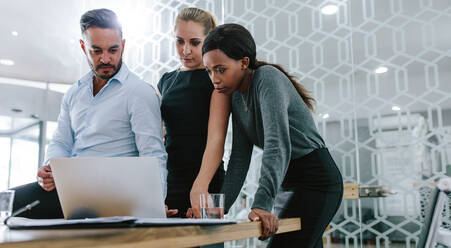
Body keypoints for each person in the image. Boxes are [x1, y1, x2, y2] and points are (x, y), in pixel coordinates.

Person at [189, 23, 343, 247]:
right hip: (288, 183)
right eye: (209, 71)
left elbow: (277, 144)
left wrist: (261, 204)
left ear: (244, 62)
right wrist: (219, 210)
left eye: (221, 69)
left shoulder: (267, 78)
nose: (214, 79)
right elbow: (240, 159)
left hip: (317, 181)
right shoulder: (236, 96)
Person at [11, 8, 173, 219]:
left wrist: (155, 206)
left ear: (123, 46)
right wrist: (51, 169)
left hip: (113, 195)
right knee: (7, 202)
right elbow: (61, 141)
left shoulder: (139, 93)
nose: (105, 59)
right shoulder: (74, 93)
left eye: (113, 50)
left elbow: (153, 154)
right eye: (96, 51)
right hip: (68, 189)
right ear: (82, 46)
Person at [157, 7, 224, 218]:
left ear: (209, 40)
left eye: (194, 42)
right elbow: (158, 138)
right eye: (179, 41)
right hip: (171, 180)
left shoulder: (216, 79)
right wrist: (154, 189)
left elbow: (216, 139)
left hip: (206, 181)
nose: (185, 50)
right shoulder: (166, 80)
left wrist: (200, 187)